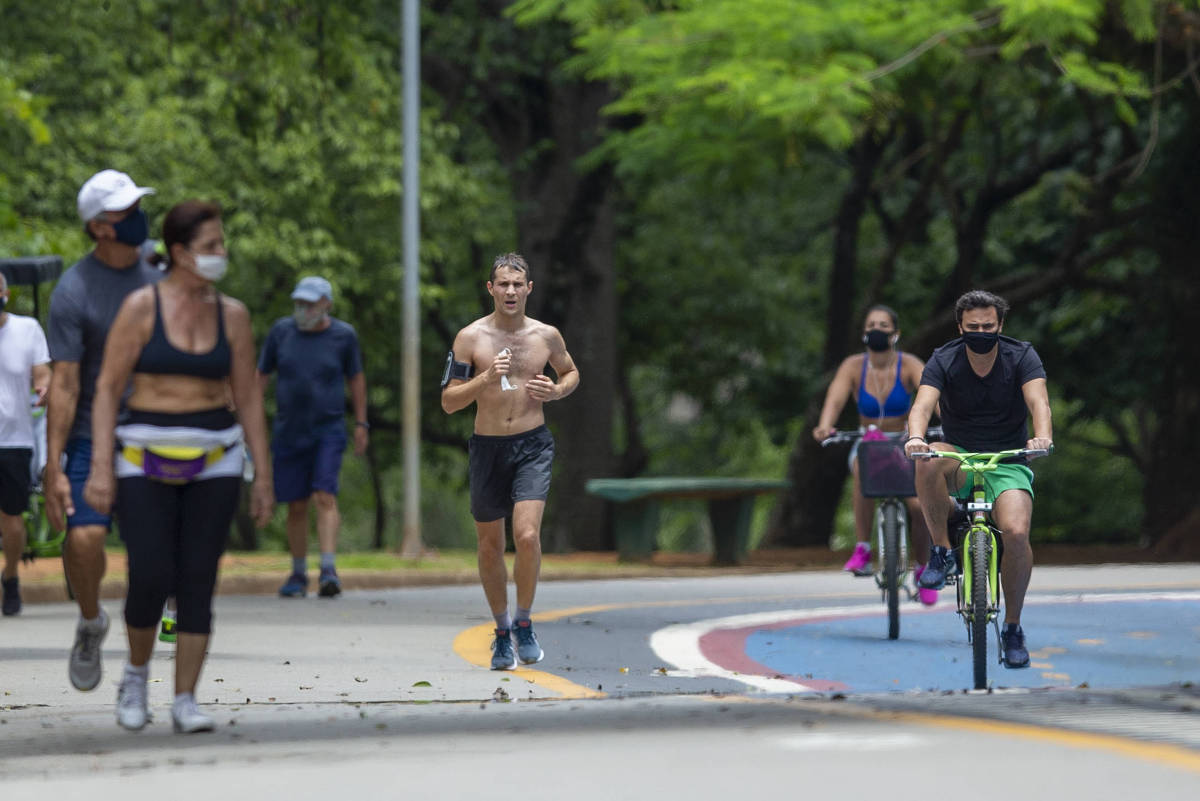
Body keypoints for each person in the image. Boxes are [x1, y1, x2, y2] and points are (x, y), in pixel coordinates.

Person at [83, 200, 273, 732]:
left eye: (221, 244)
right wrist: (100, 466)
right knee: (150, 573)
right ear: (180, 253)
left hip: (215, 458)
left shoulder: (232, 315)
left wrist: (263, 474)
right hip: (143, 457)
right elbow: (105, 390)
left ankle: (186, 698)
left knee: (197, 577)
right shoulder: (142, 307)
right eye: (211, 246)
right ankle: (137, 675)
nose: (221, 254)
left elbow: (249, 398)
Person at [45, 169, 163, 691]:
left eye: (138, 205)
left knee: (154, 550)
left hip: (158, 428)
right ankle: (91, 621)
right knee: (85, 537)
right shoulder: (74, 291)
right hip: (93, 433)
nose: (138, 218)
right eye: (125, 211)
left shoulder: (163, 269)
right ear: (99, 228)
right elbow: (65, 385)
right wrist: (53, 468)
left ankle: (141, 666)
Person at [441, 253, 580, 670]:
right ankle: (501, 631)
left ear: (529, 289)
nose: (510, 291)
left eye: (518, 284)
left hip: (532, 445)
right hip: (488, 448)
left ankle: (524, 621)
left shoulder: (546, 336)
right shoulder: (471, 338)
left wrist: (557, 391)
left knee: (527, 535)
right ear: (491, 289)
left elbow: (571, 372)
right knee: (489, 544)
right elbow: (449, 402)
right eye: (503, 284)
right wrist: (483, 379)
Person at [904, 290, 1052, 668]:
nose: (981, 332)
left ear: (1000, 325)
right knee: (926, 461)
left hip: (1008, 459)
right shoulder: (945, 358)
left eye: (989, 326)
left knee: (1017, 533)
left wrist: (1042, 437)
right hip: (959, 454)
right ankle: (941, 551)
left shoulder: (1021, 356)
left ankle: (1013, 627)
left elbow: (1039, 402)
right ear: (960, 327)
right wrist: (917, 438)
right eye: (973, 327)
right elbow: (922, 404)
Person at [812, 305, 936, 603]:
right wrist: (825, 426)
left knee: (918, 507)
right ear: (864, 332)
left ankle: (924, 568)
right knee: (862, 465)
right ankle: (863, 549)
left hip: (906, 443)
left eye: (883, 325)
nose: (876, 330)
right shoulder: (853, 367)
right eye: (871, 325)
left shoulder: (909, 364)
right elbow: (835, 399)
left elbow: (931, 394)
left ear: (895, 333)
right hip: (869, 440)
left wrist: (950, 424)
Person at [258, 276, 367, 598]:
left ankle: (329, 570)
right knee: (295, 504)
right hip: (289, 429)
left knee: (324, 495)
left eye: (309, 304)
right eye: (299, 303)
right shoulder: (281, 332)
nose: (302, 309)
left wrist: (361, 423)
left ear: (326, 306)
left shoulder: (343, 336)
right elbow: (260, 375)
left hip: (328, 429)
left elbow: (356, 379)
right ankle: (297, 573)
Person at [0, 272, 52, 616]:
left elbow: (43, 373)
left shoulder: (27, 329)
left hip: (14, 439)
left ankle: (11, 574)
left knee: (11, 516)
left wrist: (45, 387)